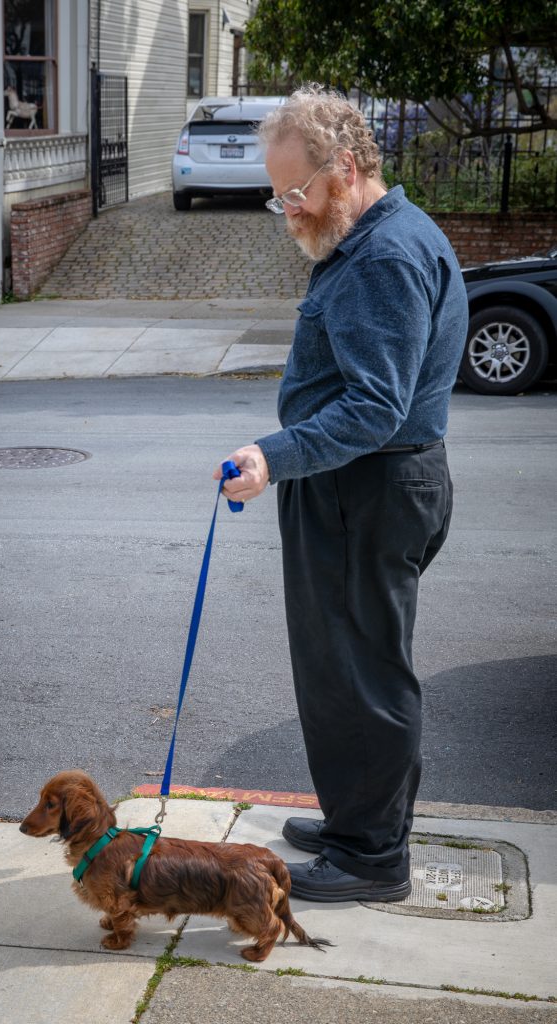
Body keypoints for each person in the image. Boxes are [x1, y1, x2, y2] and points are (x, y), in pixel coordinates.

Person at [214, 86, 468, 902]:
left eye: (295, 193)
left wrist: (273, 456)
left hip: (368, 489)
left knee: (359, 678)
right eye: (278, 194)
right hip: (369, 487)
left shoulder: (383, 258)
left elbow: (375, 407)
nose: (287, 210)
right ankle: (363, 822)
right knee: (349, 670)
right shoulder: (384, 236)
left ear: (346, 170)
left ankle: (370, 856)